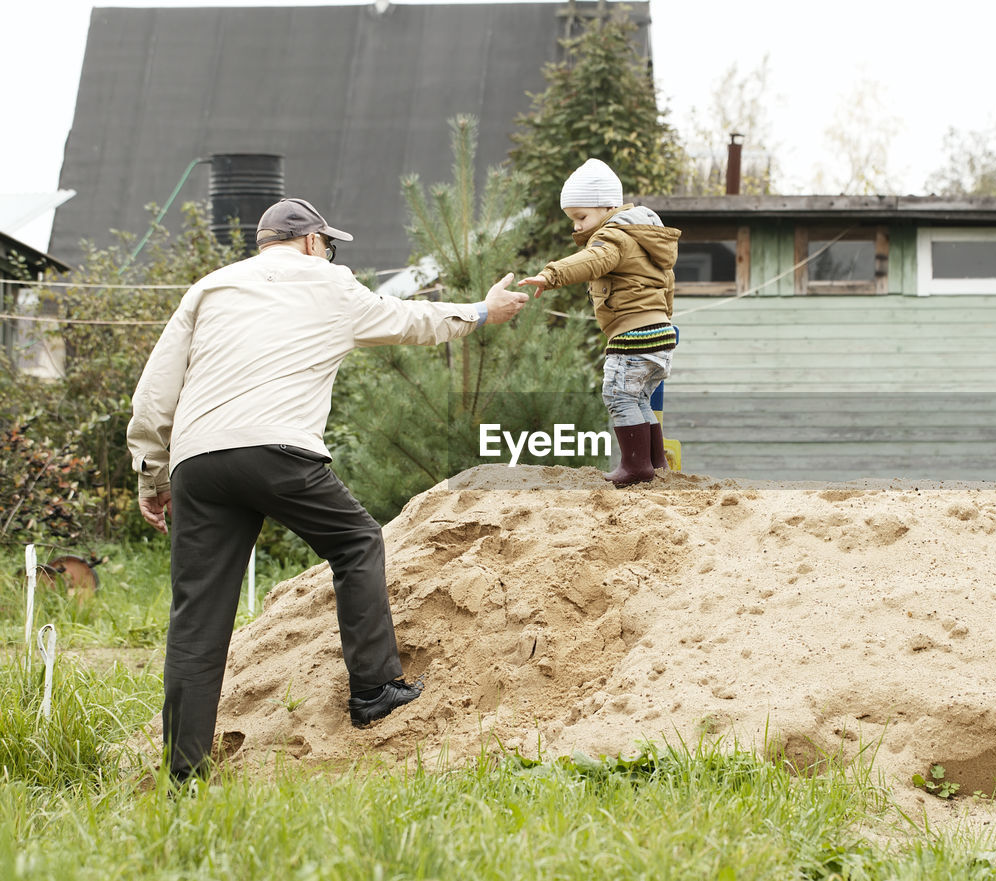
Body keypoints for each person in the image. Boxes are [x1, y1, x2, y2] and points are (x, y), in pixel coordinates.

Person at [127, 197, 528, 782]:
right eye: (329, 244)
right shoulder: (331, 283)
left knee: (197, 617)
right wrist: (484, 312)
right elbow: (412, 321)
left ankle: (183, 773)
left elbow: (155, 391)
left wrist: (152, 473)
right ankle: (373, 690)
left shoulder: (209, 288)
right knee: (357, 541)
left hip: (199, 462)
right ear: (313, 242)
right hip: (278, 450)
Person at [518, 158, 680, 486]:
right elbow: (668, 284)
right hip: (661, 333)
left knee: (618, 395)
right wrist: (664, 319)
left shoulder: (613, 236)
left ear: (608, 208)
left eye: (581, 217)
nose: (576, 226)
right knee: (638, 398)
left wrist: (550, 275)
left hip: (633, 334)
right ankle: (655, 462)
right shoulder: (647, 236)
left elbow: (593, 261)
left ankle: (635, 467)